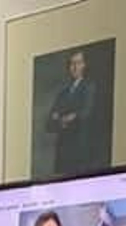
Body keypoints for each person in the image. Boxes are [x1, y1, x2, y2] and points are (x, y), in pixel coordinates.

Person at [45, 48, 96, 176]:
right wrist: (63, 120)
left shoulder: (90, 87)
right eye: (71, 64)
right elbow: (49, 124)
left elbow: (86, 113)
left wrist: (67, 117)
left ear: (84, 65)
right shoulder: (62, 94)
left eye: (78, 63)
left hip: (80, 151)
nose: (74, 67)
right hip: (63, 153)